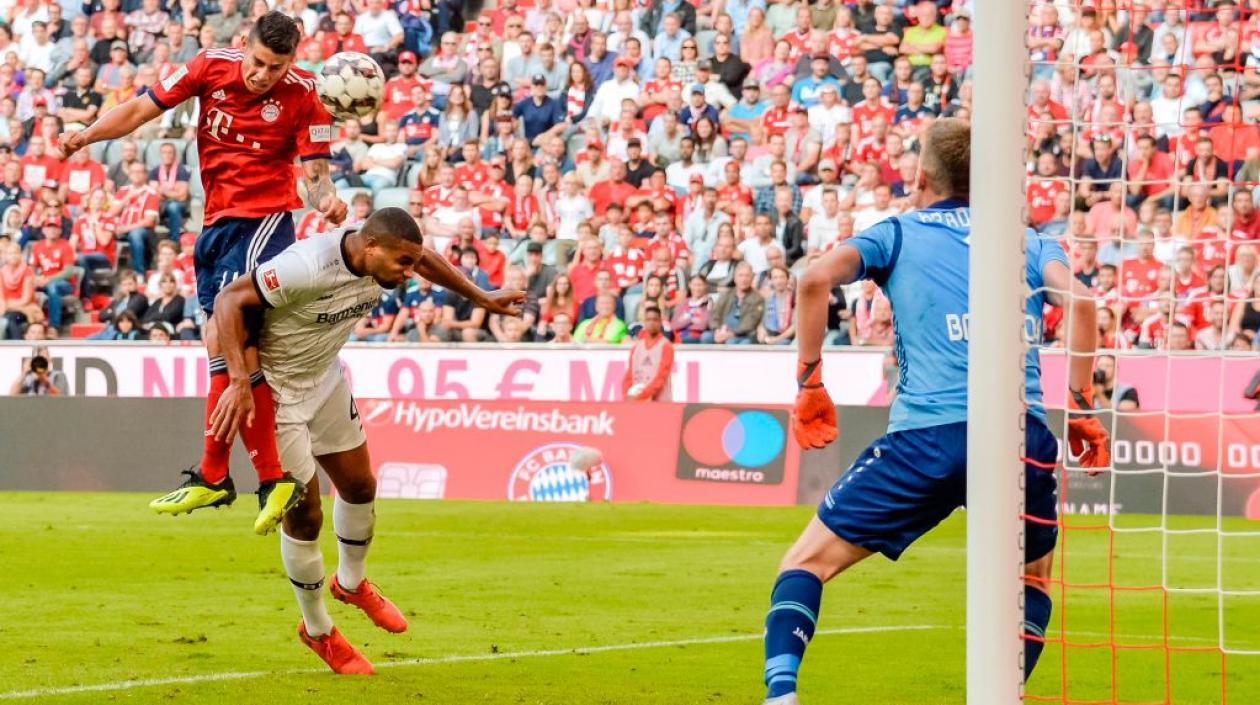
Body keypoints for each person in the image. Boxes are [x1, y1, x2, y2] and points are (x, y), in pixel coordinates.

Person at [760, 119, 1111, 704]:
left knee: (805, 563)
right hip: (1019, 438)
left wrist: (810, 382)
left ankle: (781, 694)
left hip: (927, 438)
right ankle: (1005, 693)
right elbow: (1081, 303)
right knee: (1031, 580)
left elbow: (813, 278)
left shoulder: (895, 233)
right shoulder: (1029, 240)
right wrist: (1078, 406)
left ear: (920, 176)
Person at [60, 12, 350, 534]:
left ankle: (240, 475)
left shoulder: (307, 92)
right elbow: (138, 111)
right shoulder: (208, 66)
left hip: (263, 222)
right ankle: (245, 477)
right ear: (244, 45)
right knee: (221, 347)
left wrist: (327, 202)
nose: (264, 75)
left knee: (227, 333)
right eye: (258, 62)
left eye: (276, 67)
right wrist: (86, 136)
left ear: (291, 63)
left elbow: (315, 177)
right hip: (213, 226)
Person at [205, 207, 523, 673]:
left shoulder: (387, 257)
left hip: (325, 379)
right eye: (403, 262)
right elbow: (229, 301)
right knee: (306, 515)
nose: (410, 272)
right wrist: (236, 380)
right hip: (275, 390)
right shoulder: (307, 266)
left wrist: (483, 296)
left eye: (412, 263)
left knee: (360, 486)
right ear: (370, 246)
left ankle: (351, 583)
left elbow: (427, 257)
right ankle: (318, 631)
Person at [622, 305, 673, 400]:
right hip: (637, 402)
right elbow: (629, 374)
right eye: (648, 320)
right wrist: (626, 394)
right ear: (644, 322)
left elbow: (661, 376)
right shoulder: (636, 348)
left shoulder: (666, 346)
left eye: (655, 320)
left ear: (660, 322)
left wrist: (642, 395)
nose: (651, 323)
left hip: (659, 401)